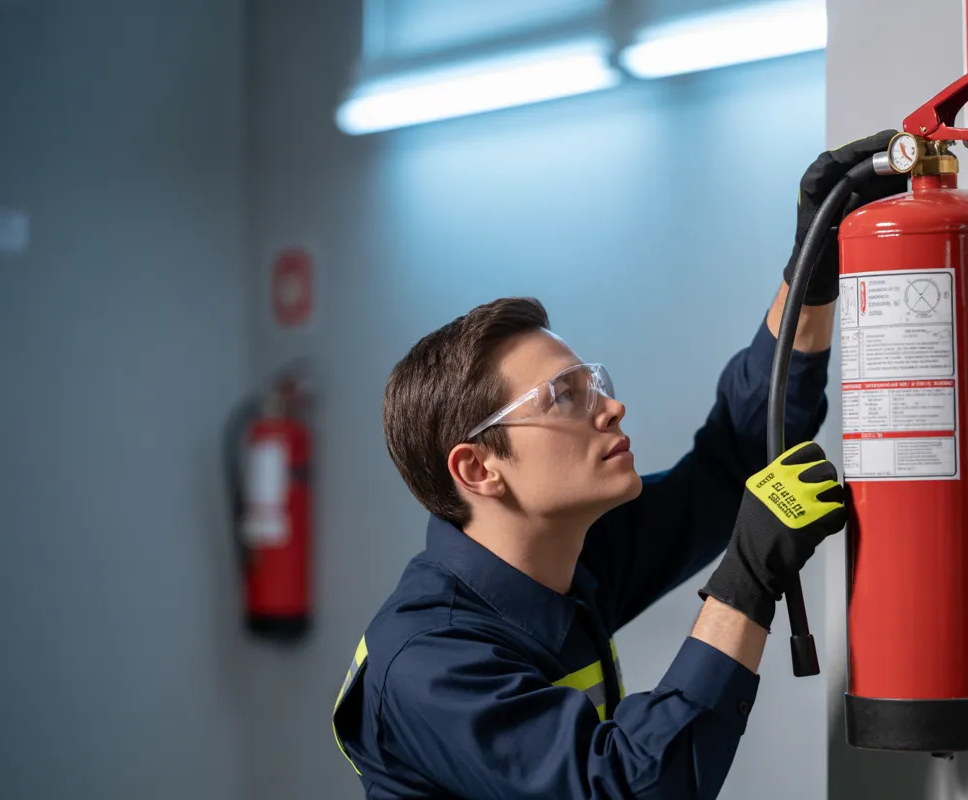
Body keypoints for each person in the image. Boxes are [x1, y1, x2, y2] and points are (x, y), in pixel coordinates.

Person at [330, 131, 908, 799]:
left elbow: (733, 463)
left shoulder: (569, 561)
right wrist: (745, 582)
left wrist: (811, 264)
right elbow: (629, 788)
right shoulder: (427, 662)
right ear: (479, 469)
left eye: (593, 383)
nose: (611, 408)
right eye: (564, 397)